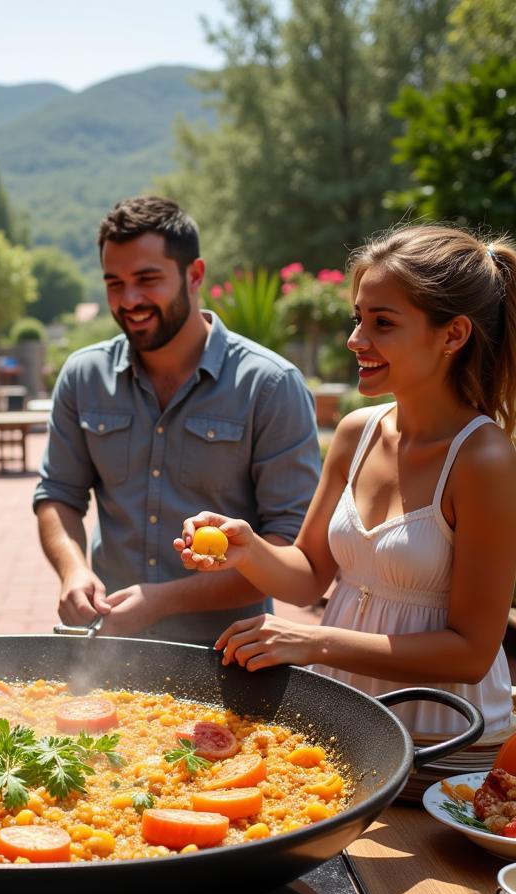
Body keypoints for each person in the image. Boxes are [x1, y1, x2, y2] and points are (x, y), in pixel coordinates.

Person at [177, 224, 516, 739]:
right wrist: (246, 549)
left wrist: (314, 642)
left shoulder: (484, 457)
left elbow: (472, 652)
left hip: (443, 739)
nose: (356, 340)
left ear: (453, 334)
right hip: (349, 724)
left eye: (383, 323)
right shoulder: (357, 432)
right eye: (359, 318)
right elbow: (311, 572)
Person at [33, 196, 321, 642]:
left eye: (147, 279)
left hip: (229, 654)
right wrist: (73, 571)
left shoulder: (271, 385)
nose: (129, 300)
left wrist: (163, 599)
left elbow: (289, 552)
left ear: (195, 275)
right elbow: (58, 496)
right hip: (109, 646)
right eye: (114, 283)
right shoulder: (82, 375)